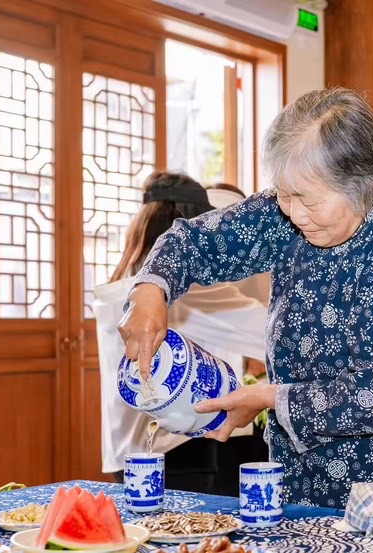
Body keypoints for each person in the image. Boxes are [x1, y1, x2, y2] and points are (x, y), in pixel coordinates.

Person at [118, 87, 373, 508]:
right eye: (283, 194)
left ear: (362, 186)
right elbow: (195, 241)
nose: (293, 212)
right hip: (299, 475)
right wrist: (151, 287)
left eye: (307, 200)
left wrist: (269, 397)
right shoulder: (286, 215)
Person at [94, 171, 269, 496]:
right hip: (184, 452)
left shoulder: (118, 289)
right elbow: (271, 334)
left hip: (125, 455)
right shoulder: (190, 294)